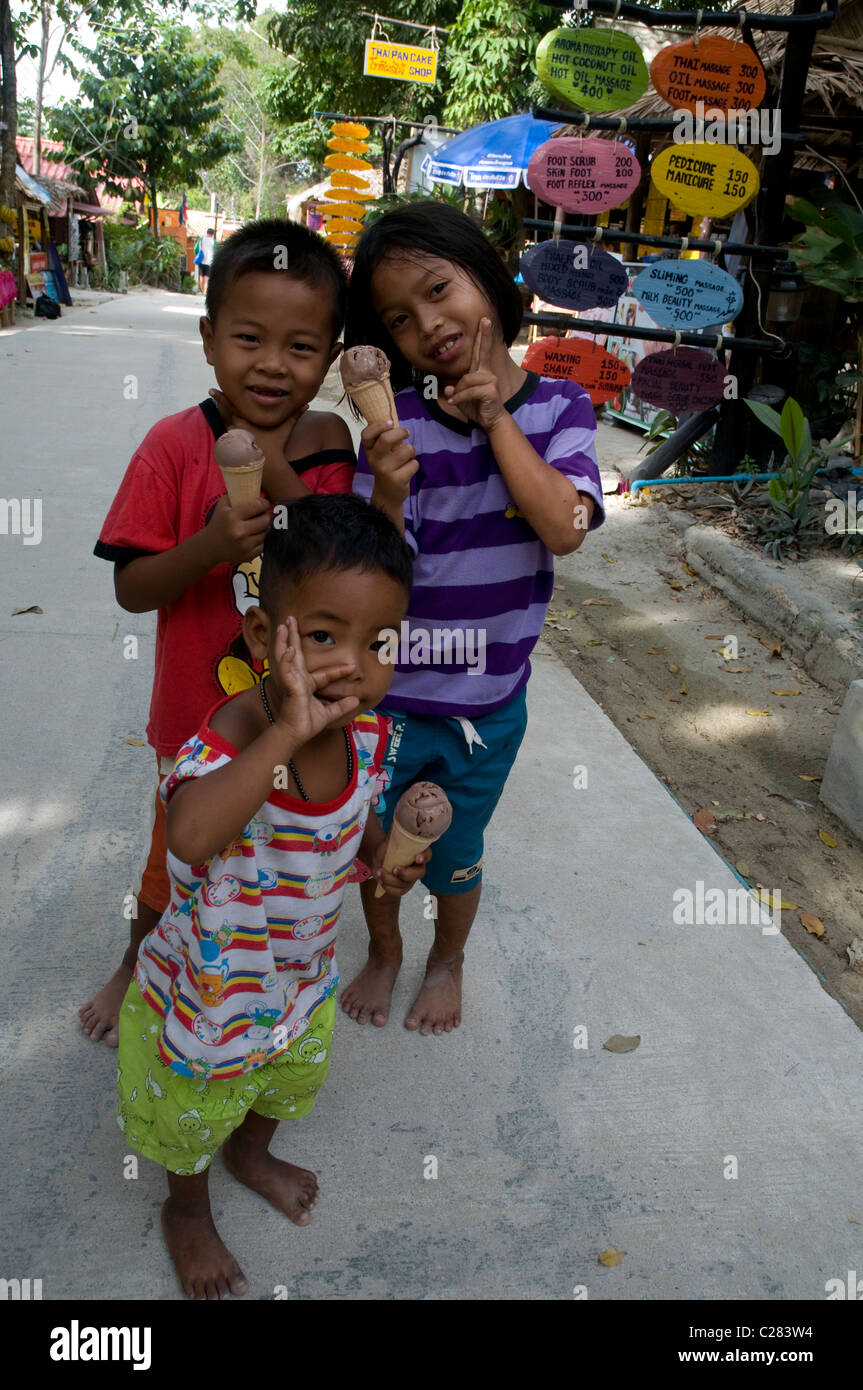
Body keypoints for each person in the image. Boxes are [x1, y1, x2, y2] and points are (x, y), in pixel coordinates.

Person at [117, 495, 429, 1299]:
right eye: (322, 636)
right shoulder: (234, 735)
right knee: (190, 1113)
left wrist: (383, 862)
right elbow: (189, 834)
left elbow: (353, 828)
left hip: (300, 976)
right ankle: (186, 1209)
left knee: (287, 1083)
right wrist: (287, 733)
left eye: (378, 642)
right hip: (210, 988)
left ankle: (250, 1154)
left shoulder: (366, 736)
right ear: (264, 637)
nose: (351, 665)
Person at [80, 219, 357, 1047]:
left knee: (279, 863)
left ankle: (259, 988)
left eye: (301, 346)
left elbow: (342, 562)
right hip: (198, 717)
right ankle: (137, 962)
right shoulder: (170, 447)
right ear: (208, 341)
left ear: (331, 356)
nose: (273, 364)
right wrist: (207, 548)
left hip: (297, 716)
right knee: (175, 860)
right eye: (248, 338)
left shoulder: (326, 445)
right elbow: (132, 588)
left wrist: (275, 477)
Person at [341, 200, 605, 1036]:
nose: (428, 324)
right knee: (378, 852)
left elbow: (563, 526)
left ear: (489, 278)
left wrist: (493, 419)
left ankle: (445, 958)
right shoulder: (401, 428)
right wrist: (386, 488)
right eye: (398, 318)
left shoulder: (561, 410)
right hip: (389, 698)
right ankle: (384, 949)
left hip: (487, 708)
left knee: (453, 853)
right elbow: (373, 579)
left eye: (438, 289)